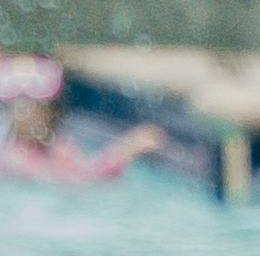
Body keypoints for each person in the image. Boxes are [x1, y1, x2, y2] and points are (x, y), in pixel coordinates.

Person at [0, 57, 163, 184]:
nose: (24, 114)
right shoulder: (13, 157)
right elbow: (75, 180)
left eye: (32, 107)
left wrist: (127, 150)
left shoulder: (60, 147)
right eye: (18, 108)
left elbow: (85, 174)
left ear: (53, 111)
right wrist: (123, 152)